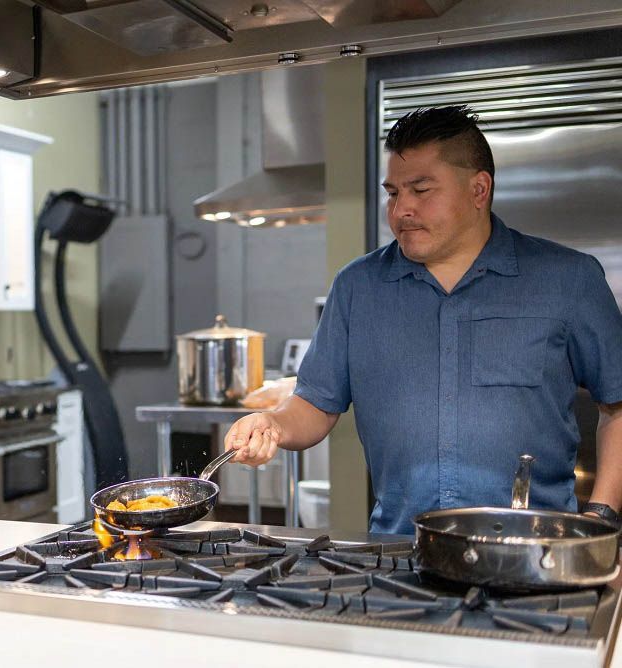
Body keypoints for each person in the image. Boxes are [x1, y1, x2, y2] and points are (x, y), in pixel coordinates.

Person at [222, 105, 622, 535]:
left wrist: (601, 515)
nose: (401, 210)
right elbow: (315, 405)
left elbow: (616, 404)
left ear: (479, 190)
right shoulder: (358, 287)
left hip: (535, 549)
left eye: (421, 190)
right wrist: (273, 423)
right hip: (399, 551)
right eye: (394, 193)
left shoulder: (568, 279)